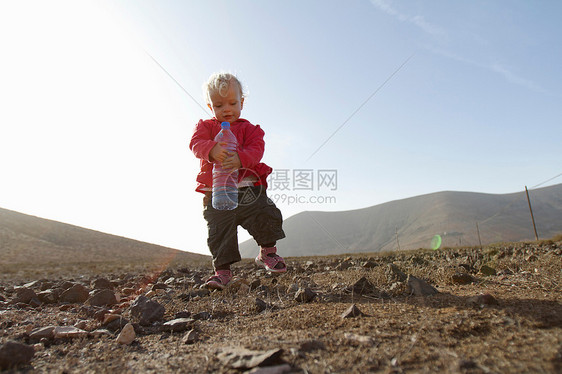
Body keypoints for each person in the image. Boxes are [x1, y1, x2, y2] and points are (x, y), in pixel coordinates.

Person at [189, 72, 287, 290]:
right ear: (210, 106)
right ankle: (222, 272)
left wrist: (241, 158)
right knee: (219, 230)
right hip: (217, 191)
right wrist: (212, 149)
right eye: (219, 105)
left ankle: (267, 253)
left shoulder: (251, 130)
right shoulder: (206, 127)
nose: (227, 109)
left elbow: (256, 150)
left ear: (242, 102)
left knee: (265, 213)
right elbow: (196, 143)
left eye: (233, 103)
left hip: (248, 188)